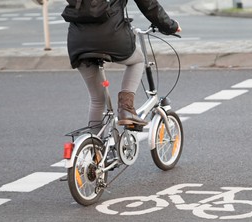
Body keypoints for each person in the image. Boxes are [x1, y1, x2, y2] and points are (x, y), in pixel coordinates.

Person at [66, 0, 181, 128]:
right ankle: (126, 108)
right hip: (113, 38)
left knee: (97, 100)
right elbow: (149, 6)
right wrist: (170, 26)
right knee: (138, 60)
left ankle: (94, 145)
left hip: (78, 42)